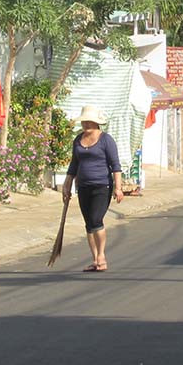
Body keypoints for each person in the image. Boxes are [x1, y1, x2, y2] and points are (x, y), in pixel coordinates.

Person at [62, 106, 125, 273]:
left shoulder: (106, 140)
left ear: (96, 123)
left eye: (89, 121)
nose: (86, 124)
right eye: (84, 121)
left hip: (102, 186)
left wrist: (118, 188)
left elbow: (115, 166)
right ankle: (96, 259)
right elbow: (74, 165)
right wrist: (67, 185)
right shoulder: (78, 140)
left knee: (96, 220)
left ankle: (101, 255)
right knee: (89, 224)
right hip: (83, 186)